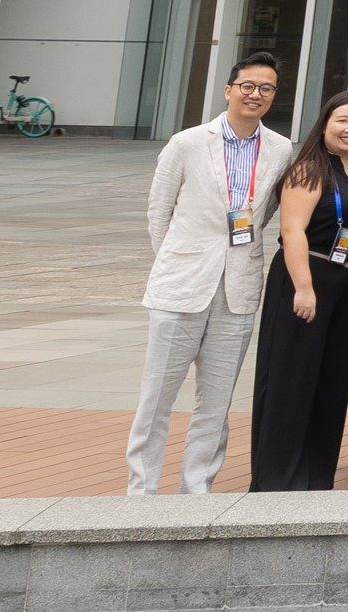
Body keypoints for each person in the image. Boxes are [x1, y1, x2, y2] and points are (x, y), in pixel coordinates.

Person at [130, 53, 289, 496]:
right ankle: (141, 489)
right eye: (248, 86)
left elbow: (266, 213)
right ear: (229, 89)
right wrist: (177, 261)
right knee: (156, 398)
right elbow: (158, 212)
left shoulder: (280, 148)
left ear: (274, 96)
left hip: (237, 289)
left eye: (266, 89)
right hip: (181, 286)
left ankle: (196, 486)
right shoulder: (187, 142)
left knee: (215, 403)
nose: (255, 94)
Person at [247, 89, 348, 491]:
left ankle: (316, 476)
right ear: (325, 124)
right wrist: (304, 287)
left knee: (329, 382)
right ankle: (277, 479)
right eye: (343, 121)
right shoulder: (309, 169)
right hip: (307, 280)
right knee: (291, 380)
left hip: (344, 284)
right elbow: (292, 231)